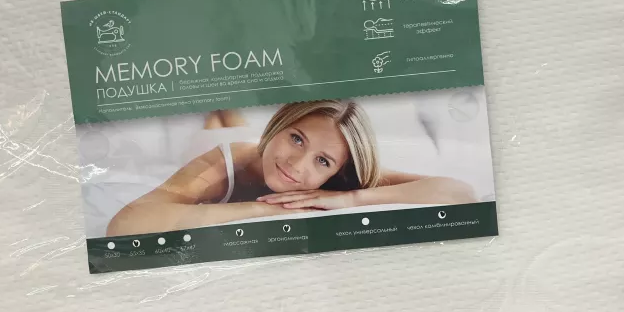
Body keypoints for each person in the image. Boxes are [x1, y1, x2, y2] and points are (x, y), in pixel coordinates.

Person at [106, 100, 475, 236]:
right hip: (224, 147)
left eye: (322, 161)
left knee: (232, 120)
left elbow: (460, 192)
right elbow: (124, 224)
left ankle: (227, 109)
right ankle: (220, 105)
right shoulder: (221, 164)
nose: (297, 164)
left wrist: (350, 199)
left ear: (336, 171)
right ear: (279, 125)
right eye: (297, 138)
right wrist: (264, 209)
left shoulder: (342, 179)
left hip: (258, 146)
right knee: (218, 121)